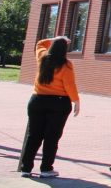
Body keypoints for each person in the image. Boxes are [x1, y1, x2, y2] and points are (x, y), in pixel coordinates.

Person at [19, 36, 80, 177]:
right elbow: (69, 85)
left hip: (37, 100)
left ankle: (26, 168)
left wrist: (57, 38)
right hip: (58, 103)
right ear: (65, 50)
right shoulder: (66, 65)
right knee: (51, 137)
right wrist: (76, 101)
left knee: (33, 135)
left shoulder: (42, 57)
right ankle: (46, 168)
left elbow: (40, 43)